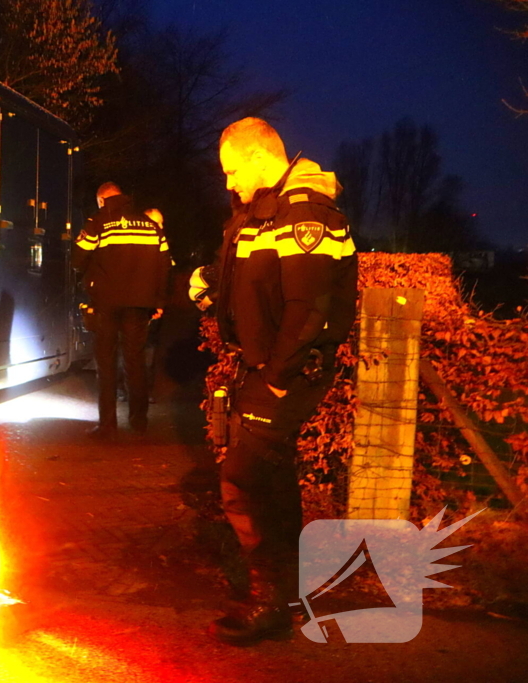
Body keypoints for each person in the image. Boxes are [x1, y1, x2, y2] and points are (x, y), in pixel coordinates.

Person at [191, 117, 357, 644]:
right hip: (266, 366)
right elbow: (248, 281)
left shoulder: (304, 211)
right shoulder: (261, 212)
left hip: (288, 371)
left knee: (243, 477)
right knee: (273, 478)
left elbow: (309, 310)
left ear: (261, 157)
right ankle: (286, 595)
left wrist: (281, 380)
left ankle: (271, 602)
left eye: (232, 169)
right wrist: (206, 290)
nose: (228, 182)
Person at [73, 183, 171, 440]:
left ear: (102, 200)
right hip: (139, 305)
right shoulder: (150, 225)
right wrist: (157, 300)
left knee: (105, 364)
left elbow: (77, 259)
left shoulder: (98, 221)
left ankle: (107, 424)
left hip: (106, 303)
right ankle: (139, 421)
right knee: (135, 362)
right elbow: (164, 265)